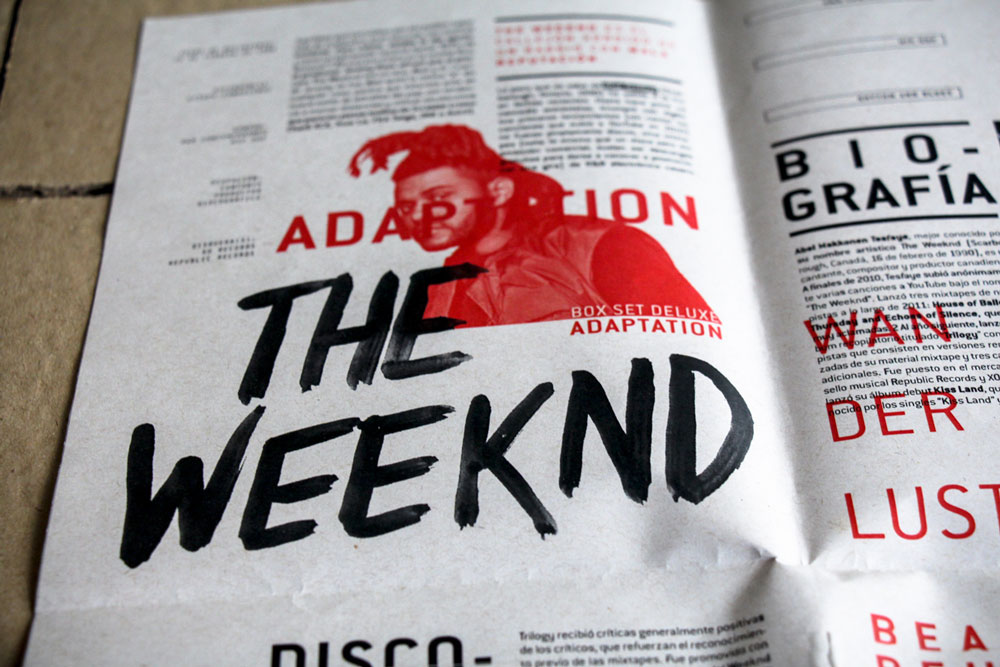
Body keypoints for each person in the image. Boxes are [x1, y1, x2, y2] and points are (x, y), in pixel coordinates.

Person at [349, 124, 714, 328]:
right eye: (407, 208)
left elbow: (686, 336)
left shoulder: (604, 245)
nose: (419, 218)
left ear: (499, 190)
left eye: (439, 198)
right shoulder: (438, 287)